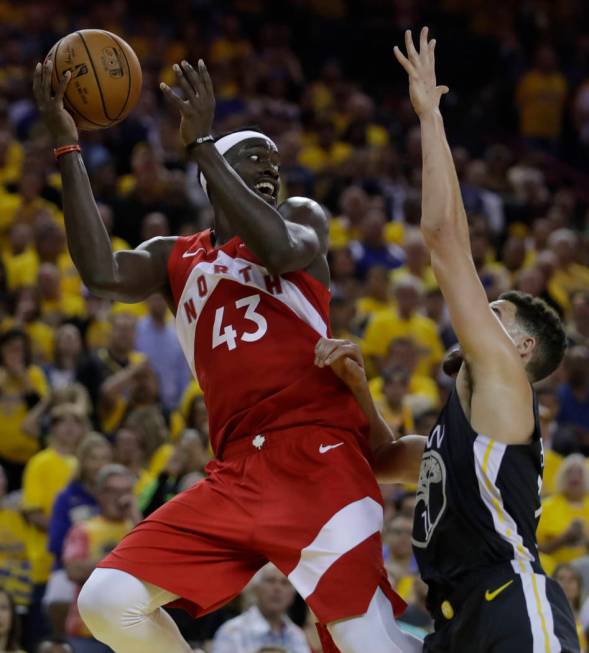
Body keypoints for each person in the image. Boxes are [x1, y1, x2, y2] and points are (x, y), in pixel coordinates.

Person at [34, 55, 421, 653]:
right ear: (210, 180)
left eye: (274, 162)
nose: (269, 169)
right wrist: (67, 148)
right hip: (238, 469)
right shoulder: (173, 257)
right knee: (107, 600)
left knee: (369, 643)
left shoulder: (299, 218)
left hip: (319, 456)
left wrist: (206, 145)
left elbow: (276, 247)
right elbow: (101, 274)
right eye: (254, 159)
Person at [316, 27, 578, 652]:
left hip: (513, 605)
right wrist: (357, 387)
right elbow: (381, 460)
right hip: (457, 623)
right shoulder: (457, 433)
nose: (477, 317)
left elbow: (444, 242)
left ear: (519, 350)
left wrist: (430, 117)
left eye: (494, 314)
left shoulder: (507, 386)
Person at [63, 464, 140, 653]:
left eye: (125, 491)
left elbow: (155, 563)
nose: (120, 497)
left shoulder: (139, 528)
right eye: (112, 491)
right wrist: (125, 559)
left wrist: (136, 518)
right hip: (87, 631)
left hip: (131, 633)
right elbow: (74, 570)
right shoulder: (83, 529)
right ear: (99, 494)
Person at [45, 433, 112, 636]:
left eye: (104, 458)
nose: (99, 465)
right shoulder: (67, 496)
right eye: (94, 458)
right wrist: (82, 563)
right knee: (57, 597)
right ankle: (64, 642)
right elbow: (56, 542)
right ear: (83, 462)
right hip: (71, 565)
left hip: (111, 567)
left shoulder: (117, 493)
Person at [211, 564, 310, 653]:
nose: (277, 588)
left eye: (285, 583)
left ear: (293, 595)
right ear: (256, 589)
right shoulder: (232, 632)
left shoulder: (297, 635)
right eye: (270, 580)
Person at [537, 455, 589, 567]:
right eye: (569, 472)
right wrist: (563, 539)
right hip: (554, 568)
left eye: (579, 472)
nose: (575, 476)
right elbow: (535, 548)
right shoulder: (547, 506)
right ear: (561, 477)